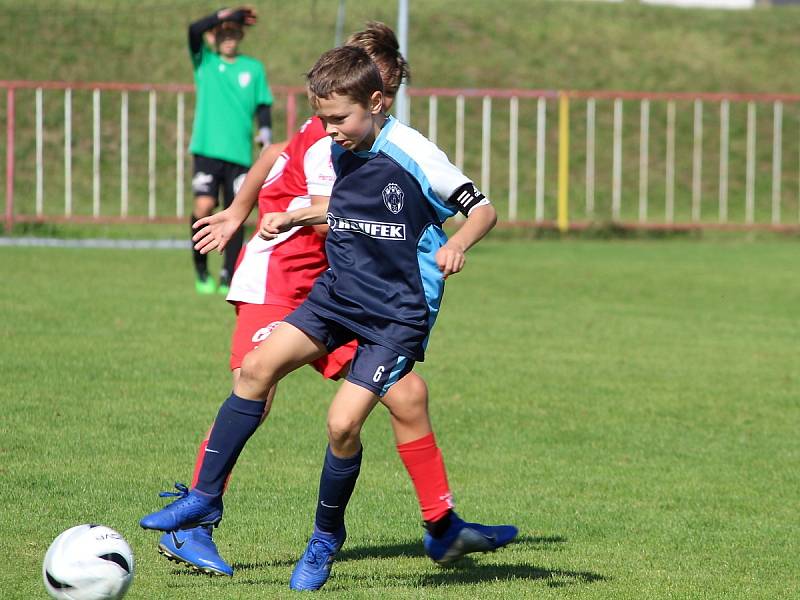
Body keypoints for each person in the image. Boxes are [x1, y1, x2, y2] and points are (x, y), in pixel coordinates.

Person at [141, 43, 517, 590]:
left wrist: (458, 242)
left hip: (395, 315)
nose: (329, 130)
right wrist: (294, 215)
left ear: (378, 101)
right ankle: (201, 502)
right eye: (322, 118)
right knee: (255, 370)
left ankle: (324, 539)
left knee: (343, 424)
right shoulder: (343, 142)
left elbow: (482, 208)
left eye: (337, 118)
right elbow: (345, 206)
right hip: (338, 295)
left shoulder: (412, 151)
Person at [187, 6, 273, 295]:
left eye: (234, 32)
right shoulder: (206, 63)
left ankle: (229, 274)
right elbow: (193, 30)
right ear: (215, 36)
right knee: (204, 206)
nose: (229, 37)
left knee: (237, 213)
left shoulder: (253, 68)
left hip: (239, 154)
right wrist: (222, 15)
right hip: (207, 151)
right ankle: (201, 269)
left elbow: (263, 108)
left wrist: (265, 138)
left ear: (241, 35)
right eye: (223, 32)